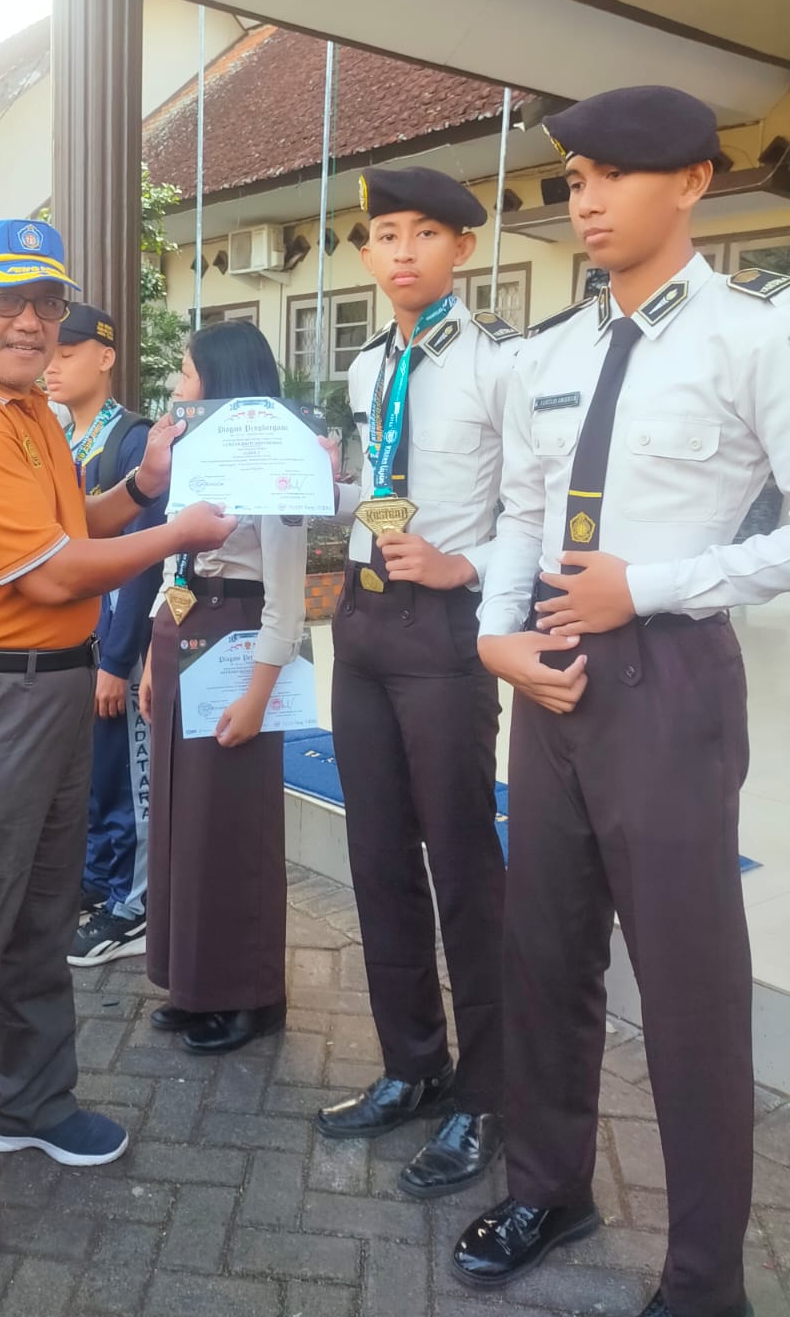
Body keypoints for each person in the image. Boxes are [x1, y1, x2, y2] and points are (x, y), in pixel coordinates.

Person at [451, 86, 786, 1317]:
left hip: (670, 677)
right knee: (542, 949)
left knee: (690, 986)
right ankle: (551, 1183)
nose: (584, 200)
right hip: (547, 675)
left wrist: (651, 583)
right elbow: (524, 511)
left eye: (614, 175)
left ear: (694, 182)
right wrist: (495, 634)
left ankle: (704, 1278)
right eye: (575, 177)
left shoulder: (756, 339)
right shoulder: (554, 349)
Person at [0, 218, 235, 1269]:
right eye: (5, 301)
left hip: (42, 695)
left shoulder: (24, 408)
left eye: (45, 304)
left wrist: (149, 485)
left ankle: (27, 1102)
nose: (31, 321)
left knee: (36, 917)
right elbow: (51, 575)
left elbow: (80, 527)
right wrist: (176, 533)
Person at [314, 167, 515, 1198]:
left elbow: (530, 503)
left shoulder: (496, 367)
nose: (401, 251)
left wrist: (465, 564)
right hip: (362, 619)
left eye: (424, 233)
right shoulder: (363, 365)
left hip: (443, 629)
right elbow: (368, 483)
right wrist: (323, 481)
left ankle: (491, 1093)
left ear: (461, 250)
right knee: (377, 851)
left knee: (463, 864)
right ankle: (413, 1066)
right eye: (384, 234)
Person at [139, 322, 308, 1056]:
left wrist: (258, 692)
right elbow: (175, 564)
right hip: (186, 630)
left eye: (185, 374)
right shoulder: (198, 458)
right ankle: (194, 981)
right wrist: (153, 655)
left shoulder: (279, 462)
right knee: (185, 820)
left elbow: (289, 599)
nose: (177, 388)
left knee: (233, 828)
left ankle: (251, 995)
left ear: (221, 379)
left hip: (239, 644)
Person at [44, 303, 163, 966]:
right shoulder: (60, 436)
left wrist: (118, 658)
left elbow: (143, 555)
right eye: (49, 352)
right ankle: (96, 874)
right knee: (90, 769)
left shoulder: (134, 440)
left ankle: (132, 902)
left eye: (68, 350)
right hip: (76, 636)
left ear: (106, 356)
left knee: (125, 774)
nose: (52, 363)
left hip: (117, 639)